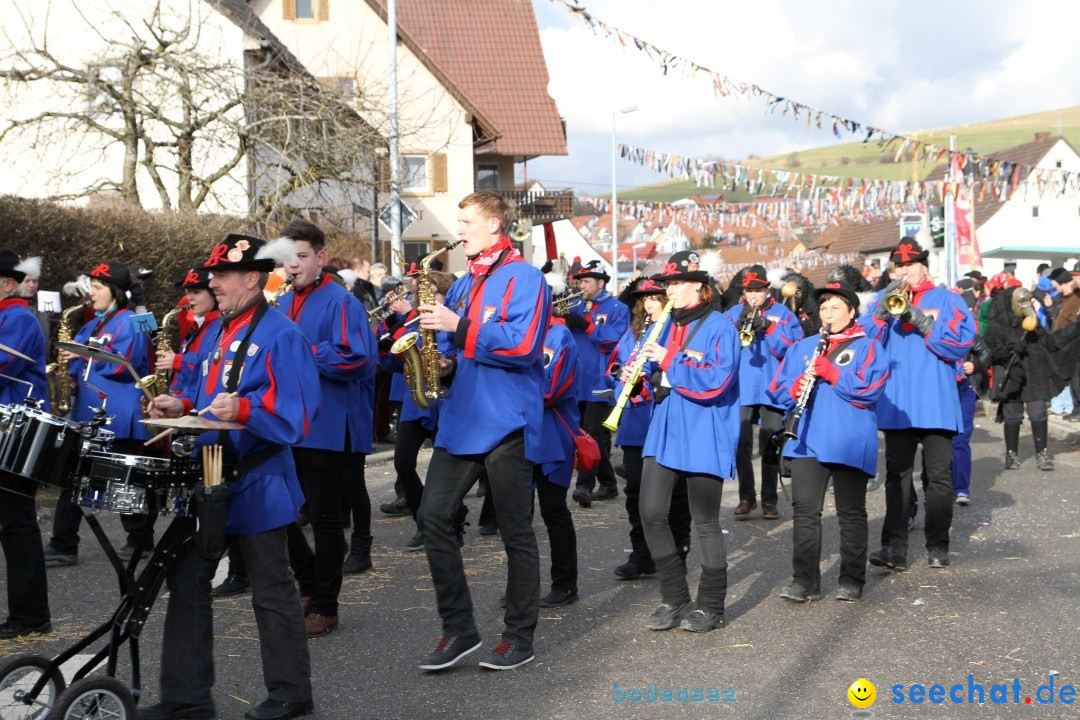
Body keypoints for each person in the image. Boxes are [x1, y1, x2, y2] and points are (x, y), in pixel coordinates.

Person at [146, 233, 317, 720]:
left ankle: (291, 694)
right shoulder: (221, 331)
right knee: (186, 579)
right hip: (212, 477)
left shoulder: (282, 334)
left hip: (257, 480)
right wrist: (182, 404)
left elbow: (298, 416)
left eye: (221, 276)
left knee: (271, 589)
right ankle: (187, 697)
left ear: (251, 278)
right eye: (212, 275)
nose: (211, 283)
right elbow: (207, 397)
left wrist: (243, 408)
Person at [415, 191, 549, 671]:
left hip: (508, 421)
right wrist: (443, 363)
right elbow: (458, 345)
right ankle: (460, 628)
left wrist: (460, 326)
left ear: (494, 225)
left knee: (516, 533)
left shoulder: (524, 277)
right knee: (433, 517)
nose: (459, 228)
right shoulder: (464, 282)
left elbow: (524, 346)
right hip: (462, 418)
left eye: (467, 220)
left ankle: (518, 636)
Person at [631, 251, 740, 633]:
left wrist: (670, 360)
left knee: (705, 521)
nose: (671, 290)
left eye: (677, 283)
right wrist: (636, 380)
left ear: (698, 284)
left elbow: (717, 380)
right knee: (650, 513)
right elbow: (654, 377)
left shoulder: (720, 327)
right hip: (664, 429)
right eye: (668, 284)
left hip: (704, 429)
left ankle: (711, 605)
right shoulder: (664, 324)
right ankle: (675, 598)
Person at [277, 220, 376, 637]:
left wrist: (302, 353)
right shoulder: (281, 303)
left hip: (329, 425)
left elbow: (357, 359)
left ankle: (325, 605)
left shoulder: (342, 301)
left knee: (325, 520)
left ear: (320, 258)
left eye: (301, 257)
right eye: (287, 259)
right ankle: (310, 582)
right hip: (291, 425)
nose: (293, 266)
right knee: (282, 512)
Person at [768, 280, 888, 603]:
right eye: (823, 308)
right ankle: (804, 580)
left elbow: (869, 389)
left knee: (851, 512)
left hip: (848, 439)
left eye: (836, 307)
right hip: (806, 440)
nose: (828, 314)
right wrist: (793, 389)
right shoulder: (803, 347)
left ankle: (851, 579)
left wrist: (831, 372)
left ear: (852, 312)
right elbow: (776, 389)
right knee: (805, 512)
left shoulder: (868, 347)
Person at [861, 238, 975, 571]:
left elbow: (960, 344)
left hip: (936, 401)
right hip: (898, 403)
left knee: (939, 478)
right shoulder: (884, 300)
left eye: (910, 265)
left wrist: (922, 321)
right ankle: (892, 548)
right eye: (899, 266)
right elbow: (864, 345)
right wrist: (881, 315)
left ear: (924, 265)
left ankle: (938, 544)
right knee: (897, 477)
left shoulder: (947, 300)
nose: (905, 271)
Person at [45, 261, 156, 566]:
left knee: (122, 483)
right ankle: (64, 543)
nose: (90, 293)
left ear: (115, 292)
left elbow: (127, 362)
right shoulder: (94, 323)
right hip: (91, 414)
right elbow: (81, 357)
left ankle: (140, 540)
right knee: (74, 477)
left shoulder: (133, 319)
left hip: (117, 415)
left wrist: (86, 351)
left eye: (97, 287)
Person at [607, 277, 691, 580]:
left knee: (676, 494)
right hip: (636, 422)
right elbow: (614, 366)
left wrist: (654, 375)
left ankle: (677, 551)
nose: (650, 304)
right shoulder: (635, 333)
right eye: (645, 300)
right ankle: (641, 554)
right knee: (636, 492)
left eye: (655, 297)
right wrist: (623, 373)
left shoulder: (678, 330)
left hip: (666, 419)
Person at [378, 269, 457, 551]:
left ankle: (451, 520)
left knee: (447, 470)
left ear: (445, 296)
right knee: (402, 463)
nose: (422, 299)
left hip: (447, 402)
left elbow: (456, 357)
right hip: (416, 401)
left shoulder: (450, 324)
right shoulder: (411, 325)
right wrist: (388, 336)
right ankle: (423, 522)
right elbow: (391, 364)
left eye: (432, 293)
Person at [724, 263, 804, 520]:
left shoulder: (783, 313)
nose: (753, 296)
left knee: (770, 443)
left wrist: (769, 327)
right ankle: (747, 497)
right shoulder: (733, 312)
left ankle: (770, 500)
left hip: (772, 388)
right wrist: (733, 330)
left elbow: (793, 350)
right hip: (742, 388)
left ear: (767, 290)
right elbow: (720, 348)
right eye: (749, 291)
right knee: (741, 444)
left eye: (757, 290)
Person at [0, 249, 52, 639]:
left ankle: (31, 616)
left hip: (16, 433)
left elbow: (4, 367)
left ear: (5, 283)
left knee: (17, 524)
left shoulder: (17, 317)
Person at [561, 259, 629, 508]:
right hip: (576, 381)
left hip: (601, 381)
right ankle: (609, 483)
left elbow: (614, 339)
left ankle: (584, 486)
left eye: (587, 281)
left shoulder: (617, 308)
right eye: (581, 281)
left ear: (601, 283)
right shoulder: (576, 305)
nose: (583, 285)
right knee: (585, 435)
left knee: (590, 434)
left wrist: (588, 325)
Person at [983, 286, 1072, 472]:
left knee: (1038, 412)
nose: (1025, 305)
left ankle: (1042, 454)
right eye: (1021, 301)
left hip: (1034, 372)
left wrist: (1074, 329)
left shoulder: (1033, 321)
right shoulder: (997, 324)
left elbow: (1050, 342)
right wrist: (1009, 348)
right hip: (1011, 374)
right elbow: (990, 350)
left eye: (1027, 301)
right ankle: (1011, 455)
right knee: (1012, 416)